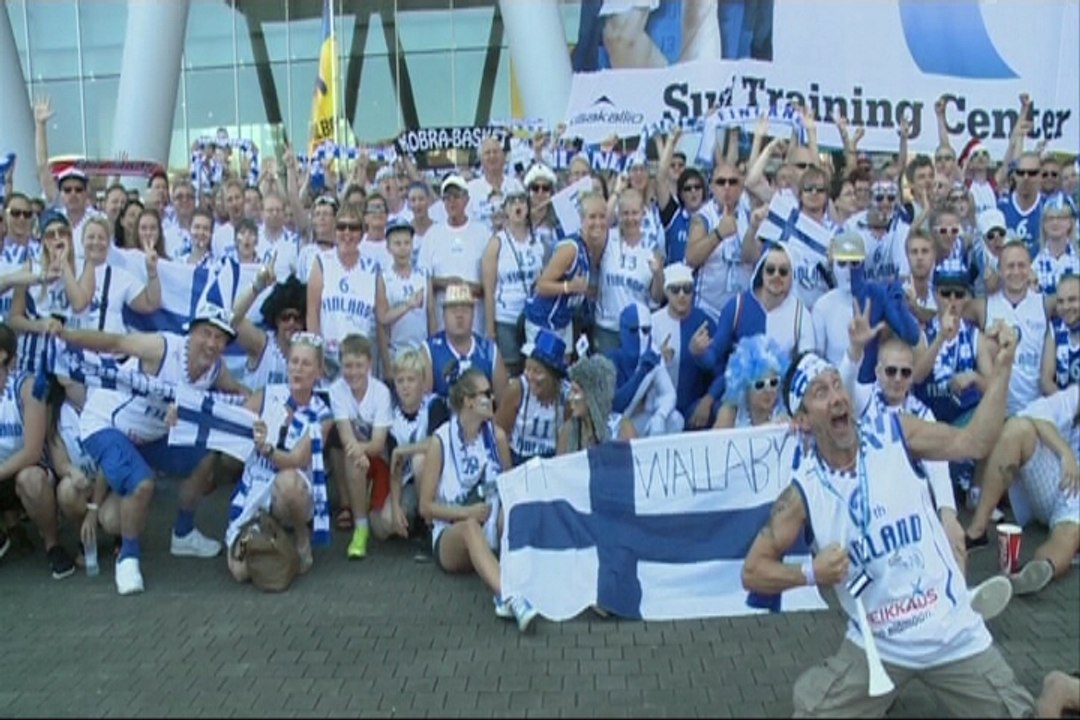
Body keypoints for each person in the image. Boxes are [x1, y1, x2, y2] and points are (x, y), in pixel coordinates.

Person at [741, 318, 1035, 717]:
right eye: (819, 392)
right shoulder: (803, 492)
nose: (837, 397)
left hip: (950, 631)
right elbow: (753, 571)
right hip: (879, 643)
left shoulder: (895, 432)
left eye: (837, 385)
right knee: (810, 713)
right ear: (804, 419)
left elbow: (975, 441)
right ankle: (854, 690)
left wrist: (1002, 370)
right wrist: (810, 573)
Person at [61, 303, 248, 594]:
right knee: (142, 484)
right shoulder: (162, 347)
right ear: (191, 331)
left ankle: (183, 534)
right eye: (206, 333)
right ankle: (128, 558)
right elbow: (114, 342)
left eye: (220, 338)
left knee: (205, 455)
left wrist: (278, 406)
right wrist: (67, 335)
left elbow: (241, 395)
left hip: (151, 436)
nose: (212, 343)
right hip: (106, 425)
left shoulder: (215, 370)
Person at [418, 367, 539, 633]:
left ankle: (523, 583)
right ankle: (509, 597)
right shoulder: (440, 441)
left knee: (515, 513)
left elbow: (510, 489)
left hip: (489, 529)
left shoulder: (497, 437)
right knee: (470, 526)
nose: (492, 399)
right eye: (485, 394)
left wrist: (505, 517)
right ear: (468, 401)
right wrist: (466, 512)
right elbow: (425, 507)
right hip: (452, 535)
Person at [225, 333, 333, 580]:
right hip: (256, 484)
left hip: (293, 491)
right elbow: (230, 421)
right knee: (241, 573)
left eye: (306, 364)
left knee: (288, 482)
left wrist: (268, 449)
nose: (298, 369)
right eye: (294, 361)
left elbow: (296, 460)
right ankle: (263, 532)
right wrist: (184, 415)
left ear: (318, 372)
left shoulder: (323, 415)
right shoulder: (266, 395)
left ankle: (301, 536)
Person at [964, 387, 1079, 598]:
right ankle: (977, 531)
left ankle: (1033, 572)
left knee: (1067, 535)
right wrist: (1066, 452)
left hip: (1075, 509)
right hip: (1060, 478)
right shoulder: (1076, 396)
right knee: (1017, 428)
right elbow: (1035, 412)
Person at [0, 323, 75, 579]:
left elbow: (32, 452)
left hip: (27, 471)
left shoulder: (28, 387)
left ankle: (52, 544)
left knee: (30, 479)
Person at [327, 334, 393, 558]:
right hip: (357, 455)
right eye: (347, 366)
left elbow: (378, 443)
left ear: (370, 364)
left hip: (381, 459)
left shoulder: (381, 392)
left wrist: (360, 451)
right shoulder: (336, 390)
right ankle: (360, 528)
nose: (353, 372)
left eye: (359, 365)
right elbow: (345, 435)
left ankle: (372, 507)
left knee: (384, 528)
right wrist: (358, 453)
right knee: (352, 459)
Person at [9, 210, 93, 374]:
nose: (57, 238)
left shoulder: (85, 266)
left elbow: (79, 304)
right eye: (50, 235)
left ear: (69, 236)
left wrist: (65, 266)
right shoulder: (31, 268)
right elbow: (13, 319)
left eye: (62, 232)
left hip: (71, 356)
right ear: (43, 241)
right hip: (34, 353)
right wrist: (38, 325)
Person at [306, 202, 377, 377]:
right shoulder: (321, 262)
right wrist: (317, 357)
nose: (347, 233)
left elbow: (381, 321)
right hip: (328, 360)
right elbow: (312, 312)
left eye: (353, 228)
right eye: (341, 227)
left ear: (361, 233)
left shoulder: (373, 268)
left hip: (360, 363)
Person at [481, 191, 546, 376]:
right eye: (512, 202)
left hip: (533, 318)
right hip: (506, 318)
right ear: (506, 210)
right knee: (510, 370)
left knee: (535, 368)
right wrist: (490, 330)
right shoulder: (496, 243)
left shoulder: (538, 241)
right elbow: (489, 289)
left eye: (522, 202)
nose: (518, 206)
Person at [649, 262, 716, 429]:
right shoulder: (653, 322)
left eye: (687, 289)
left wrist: (707, 401)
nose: (681, 295)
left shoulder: (705, 322)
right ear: (666, 292)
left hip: (694, 408)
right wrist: (658, 359)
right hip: (659, 408)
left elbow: (719, 369)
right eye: (675, 289)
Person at [423, 282, 508, 403]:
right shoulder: (430, 350)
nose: (459, 315)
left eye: (465, 310)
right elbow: (424, 405)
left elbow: (503, 405)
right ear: (444, 314)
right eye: (453, 310)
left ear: (473, 313)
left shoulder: (489, 351)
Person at [495, 329, 568, 466]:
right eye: (528, 369)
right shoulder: (517, 389)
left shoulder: (567, 395)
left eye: (537, 371)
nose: (530, 377)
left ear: (553, 376)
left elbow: (570, 435)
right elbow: (499, 431)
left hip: (551, 463)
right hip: (519, 460)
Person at [375, 217, 432, 375]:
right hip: (396, 351)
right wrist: (408, 305)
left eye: (407, 243)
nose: (402, 249)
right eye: (397, 244)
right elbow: (382, 318)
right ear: (388, 247)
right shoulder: (384, 277)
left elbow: (431, 316)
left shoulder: (423, 275)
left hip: (421, 350)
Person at [556, 354, 635, 455]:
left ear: (593, 395)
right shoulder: (568, 431)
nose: (570, 397)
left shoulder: (622, 428)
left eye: (575, 391)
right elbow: (558, 468)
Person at [714, 334, 788, 429]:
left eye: (773, 383)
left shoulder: (786, 412)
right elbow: (716, 441)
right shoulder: (731, 411)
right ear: (745, 386)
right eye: (760, 385)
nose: (768, 390)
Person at [1040, 274, 1079, 394]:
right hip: (1062, 407)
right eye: (1060, 301)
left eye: (1072, 300)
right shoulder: (1054, 328)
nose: (1066, 307)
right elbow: (1046, 381)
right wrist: (1067, 407)